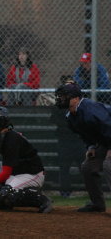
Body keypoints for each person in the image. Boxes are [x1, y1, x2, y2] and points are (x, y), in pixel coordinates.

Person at [55, 82, 111, 212]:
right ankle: (98, 204)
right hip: (105, 141)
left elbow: (109, 126)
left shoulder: (90, 109)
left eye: (64, 96)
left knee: (109, 165)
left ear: (75, 98)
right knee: (88, 167)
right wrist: (91, 146)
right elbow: (85, 134)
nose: (61, 99)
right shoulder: (71, 116)